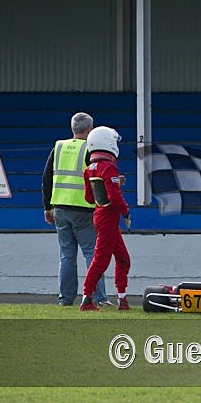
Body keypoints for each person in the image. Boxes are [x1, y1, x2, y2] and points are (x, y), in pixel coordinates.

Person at [42, 112, 109, 307]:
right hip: (84, 209)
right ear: (90, 130)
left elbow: (46, 179)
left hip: (60, 208)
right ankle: (97, 298)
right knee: (92, 254)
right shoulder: (91, 149)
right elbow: (97, 180)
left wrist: (47, 207)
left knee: (66, 256)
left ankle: (65, 299)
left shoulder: (59, 147)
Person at [79, 126, 131, 311]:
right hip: (109, 218)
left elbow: (89, 198)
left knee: (123, 258)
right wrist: (126, 211)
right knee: (101, 260)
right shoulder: (108, 166)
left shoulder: (90, 168)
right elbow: (115, 197)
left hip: (101, 215)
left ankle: (122, 300)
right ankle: (86, 300)